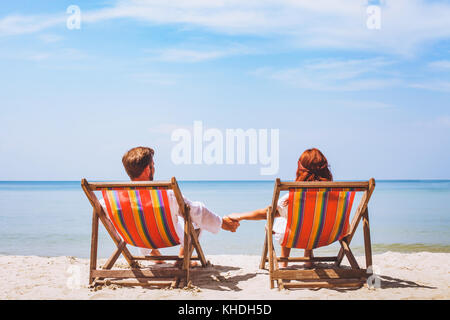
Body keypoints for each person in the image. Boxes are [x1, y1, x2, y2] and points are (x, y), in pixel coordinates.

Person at [101, 146, 240, 264]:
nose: (154, 168)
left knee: (140, 222)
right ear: (148, 169)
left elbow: (113, 224)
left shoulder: (109, 202)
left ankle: (155, 255)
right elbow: (198, 211)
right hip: (167, 238)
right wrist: (222, 223)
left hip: (137, 239)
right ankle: (182, 258)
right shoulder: (166, 196)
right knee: (193, 217)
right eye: (153, 165)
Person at [226, 148, 333, 268]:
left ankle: (284, 262)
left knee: (284, 219)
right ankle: (308, 258)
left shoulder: (294, 198)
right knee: (312, 221)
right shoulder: (335, 196)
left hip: (294, 236)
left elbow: (267, 213)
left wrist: (240, 216)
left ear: (301, 169)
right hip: (323, 235)